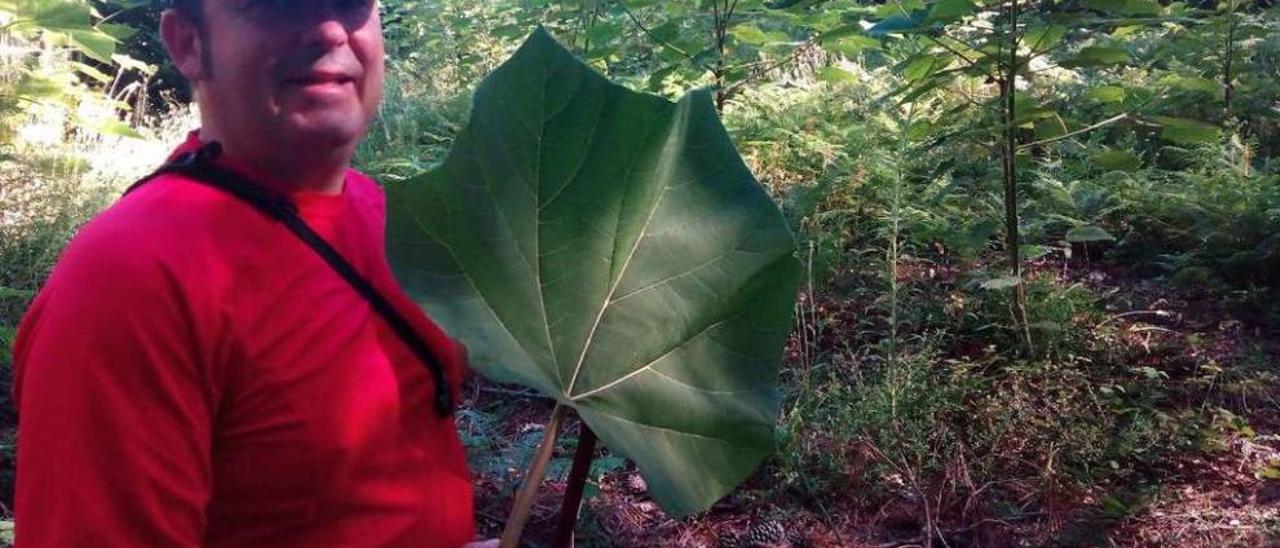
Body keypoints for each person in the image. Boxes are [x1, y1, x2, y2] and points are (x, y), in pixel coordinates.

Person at [11, 1, 492, 545]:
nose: (331, 29)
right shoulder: (130, 278)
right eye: (279, 6)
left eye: (353, 4)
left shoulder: (390, 219)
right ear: (189, 43)